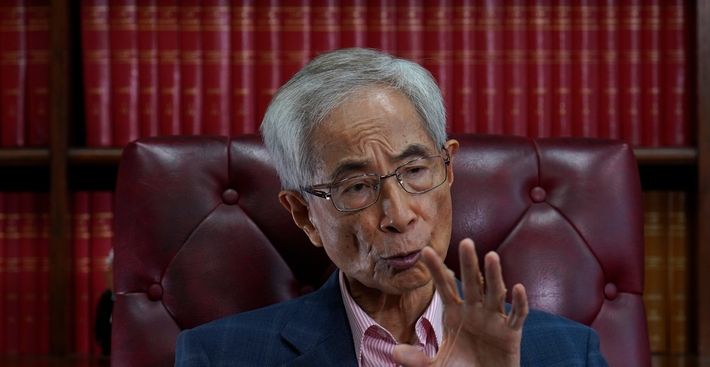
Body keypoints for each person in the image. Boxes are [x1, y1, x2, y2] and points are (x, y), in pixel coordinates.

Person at [175, 48, 608, 366]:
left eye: (415, 170)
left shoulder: (569, 352)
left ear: (449, 168)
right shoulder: (219, 356)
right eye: (357, 186)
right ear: (304, 214)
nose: (399, 216)